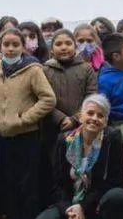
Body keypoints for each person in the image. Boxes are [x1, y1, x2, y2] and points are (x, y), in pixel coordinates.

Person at [32, 94, 123, 219]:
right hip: (72, 201)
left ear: (106, 121)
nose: (94, 118)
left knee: (118, 196)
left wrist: (83, 207)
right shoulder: (64, 141)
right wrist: (68, 209)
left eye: (100, 115)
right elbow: (57, 184)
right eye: (90, 113)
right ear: (81, 116)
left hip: (99, 203)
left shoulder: (112, 139)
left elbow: (114, 180)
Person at [0, 28, 56, 219]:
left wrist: (24, 119)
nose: (10, 48)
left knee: (28, 185)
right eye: (5, 44)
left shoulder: (33, 69)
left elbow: (48, 99)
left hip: (26, 136)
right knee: (8, 185)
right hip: (3, 136)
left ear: (23, 46)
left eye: (15, 44)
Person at [40, 29, 98, 209]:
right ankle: (59, 207)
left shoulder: (86, 69)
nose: (63, 47)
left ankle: (82, 206)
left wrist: (74, 119)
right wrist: (60, 118)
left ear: (75, 46)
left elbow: (92, 97)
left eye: (68, 43)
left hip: (81, 129)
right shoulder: (45, 70)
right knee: (56, 169)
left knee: (80, 168)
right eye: (58, 44)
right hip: (52, 129)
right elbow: (42, 97)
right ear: (52, 48)